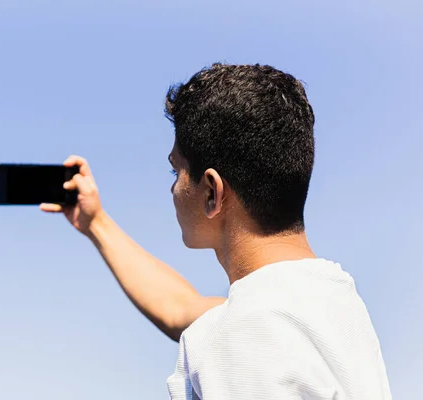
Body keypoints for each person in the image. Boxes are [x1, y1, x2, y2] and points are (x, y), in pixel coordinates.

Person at [40, 63, 393, 399]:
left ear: (212, 191)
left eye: (175, 172)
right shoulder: (332, 302)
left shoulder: (243, 333)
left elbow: (228, 325)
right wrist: (96, 223)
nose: (173, 190)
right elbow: (181, 308)